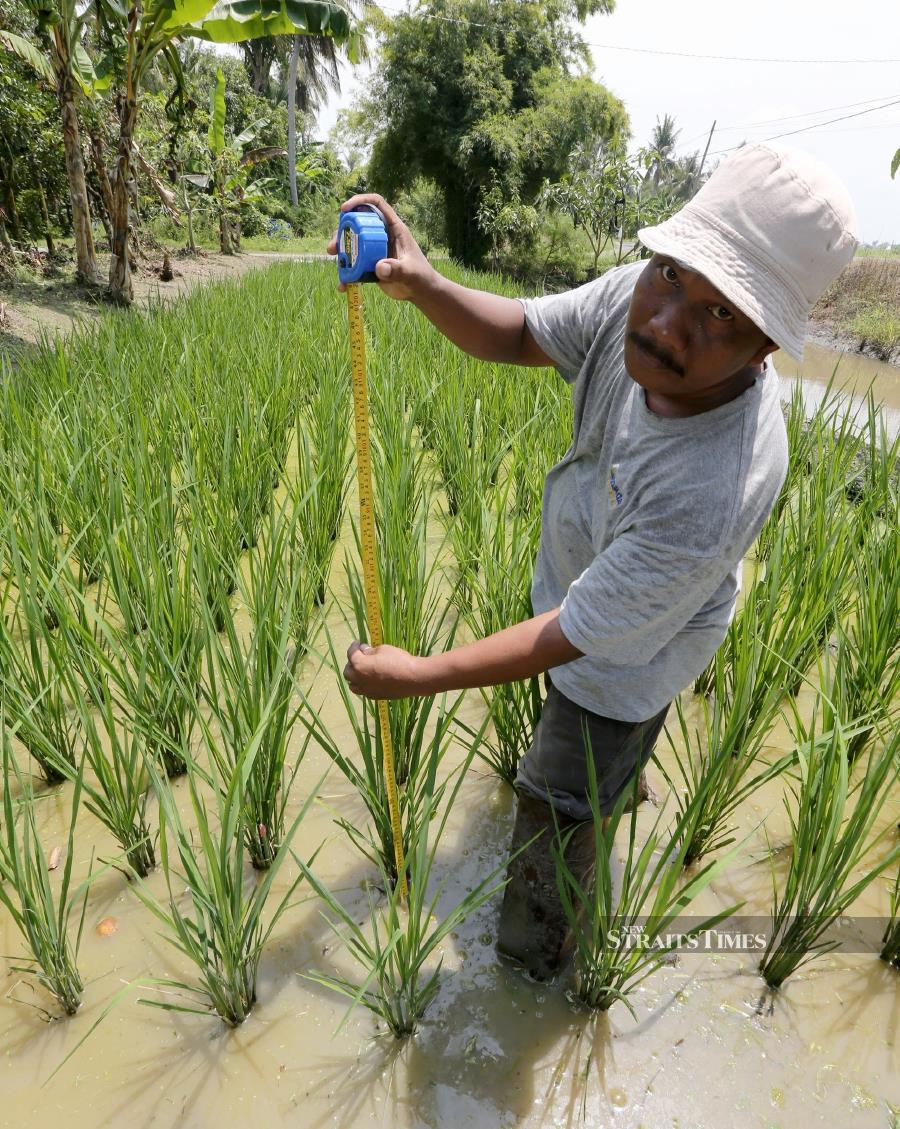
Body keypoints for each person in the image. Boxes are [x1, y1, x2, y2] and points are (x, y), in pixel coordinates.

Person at [328, 143, 859, 981]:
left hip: (622, 659)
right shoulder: (638, 298)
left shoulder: (710, 489)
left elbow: (576, 633)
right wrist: (424, 283)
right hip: (598, 595)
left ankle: (539, 965)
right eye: (674, 275)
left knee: (557, 803)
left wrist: (417, 674)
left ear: (764, 349)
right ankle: (614, 794)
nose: (668, 321)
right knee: (583, 758)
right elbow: (521, 333)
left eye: (722, 315)